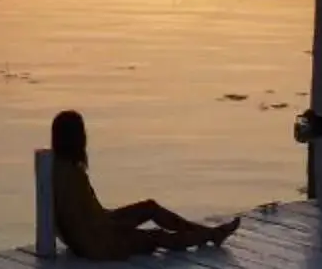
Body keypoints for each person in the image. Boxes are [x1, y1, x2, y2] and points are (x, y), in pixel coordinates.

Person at [48, 110, 239, 260]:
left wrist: (116, 219)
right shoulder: (72, 175)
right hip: (99, 244)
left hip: (94, 231)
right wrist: (123, 227)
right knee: (157, 236)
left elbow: (85, 217)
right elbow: (89, 224)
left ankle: (209, 233)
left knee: (149, 207)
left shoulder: (57, 166)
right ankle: (209, 235)